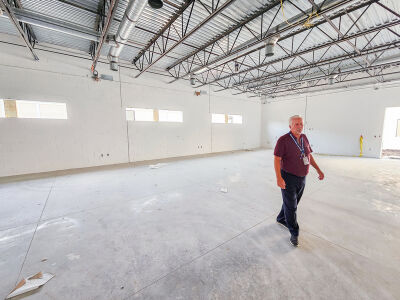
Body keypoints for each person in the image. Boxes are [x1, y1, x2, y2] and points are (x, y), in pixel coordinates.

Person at [273, 115, 324, 246]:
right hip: (288, 177)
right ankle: (294, 233)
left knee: (292, 203)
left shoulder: (304, 137)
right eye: (296, 124)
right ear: (290, 126)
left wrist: (318, 169)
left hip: (302, 178)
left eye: (301, 124)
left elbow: (308, 156)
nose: (299, 126)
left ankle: (281, 218)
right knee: (292, 206)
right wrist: (279, 177)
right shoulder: (283, 140)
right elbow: (277, 159)